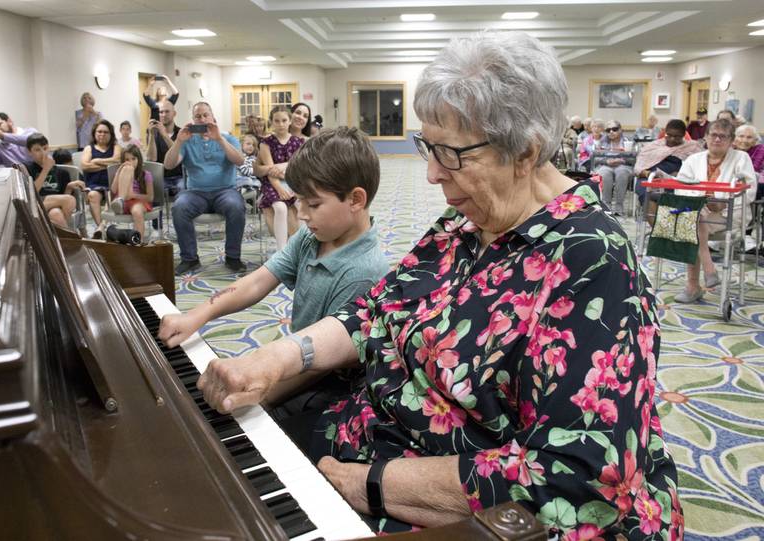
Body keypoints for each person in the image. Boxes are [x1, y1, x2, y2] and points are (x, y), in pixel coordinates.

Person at [195, 31, 682, 538]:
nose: (429, 174)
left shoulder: (593, 262)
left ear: (526, 152)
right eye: (427, 146)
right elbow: (375, 311)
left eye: (450, 154)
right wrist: (276, 358)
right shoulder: (465, 222)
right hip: (369, 432)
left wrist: (376, 484)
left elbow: (576, 476)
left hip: (449, 499)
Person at [160, 126, 390, 413]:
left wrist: (262, 396)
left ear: (356, 199)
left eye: (314, 203)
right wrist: (198, 313)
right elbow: (259, 280)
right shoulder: (313, 236)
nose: (301, 212)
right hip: (295, 360)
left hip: (327, 388)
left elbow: (322, 364)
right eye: (299, 199)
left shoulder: (365, 273)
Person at [673, 118, 757, 303]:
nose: (717, 139)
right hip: (699, 211)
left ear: (731, 140)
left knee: (692, 221)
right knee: (695, 217)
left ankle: (693, 286)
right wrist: (701, 198)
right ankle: (709, 268)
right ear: (705, 137)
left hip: (729, 213)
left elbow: (749, 190)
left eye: (723, 136)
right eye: (714, 135)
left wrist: (723, 202)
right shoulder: (693, 159)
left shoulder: (741, 158)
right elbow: (680, 186)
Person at [163, 101, 247, 275]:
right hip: (196, 193)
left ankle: (233, 257)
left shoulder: (228, 138)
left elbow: (240, 161)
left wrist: (220, 139)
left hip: (225, 191)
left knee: (236, 206)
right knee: (179, 207)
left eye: (205, 115)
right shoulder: (187, 141)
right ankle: (190, 259)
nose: (202, 119)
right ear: (193, 121)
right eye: (197, 116)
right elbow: (169, 164)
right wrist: (178, 141)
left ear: (213, 117)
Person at [254, 106, 303, 251]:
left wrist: (286, 173)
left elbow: (298, 167)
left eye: (284, 120)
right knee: (280, 208)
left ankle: (300, 246)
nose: (280, 124)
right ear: (271, 122)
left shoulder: (298, 142)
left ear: (290, 122)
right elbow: (271, 170)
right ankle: (282, 250)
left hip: (294, 181)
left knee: (303, 206)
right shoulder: (265, 143)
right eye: (277, 121)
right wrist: (280, 188)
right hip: (272, 184)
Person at [633, 119, 704, 205]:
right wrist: (650, 174)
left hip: (678, 181)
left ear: (683, 135)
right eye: (668, 135)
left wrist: (681, 174)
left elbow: (700, 167)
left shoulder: (692, 147)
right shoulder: (654, 146)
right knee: (648, 193)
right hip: (650, 178)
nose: (672, 139)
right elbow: (638, 169)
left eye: (677, 136)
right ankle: (653, 216)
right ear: (665, 132)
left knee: (680, 195)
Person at [26, 133, 85, 227]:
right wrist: (45, 169)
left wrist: (69, 187)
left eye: (45, 148)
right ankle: (72, 237)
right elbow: (32, 193)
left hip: (53, 206)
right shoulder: (27, 168)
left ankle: (62, 240)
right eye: (37, 150)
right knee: (70, 200)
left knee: (56, 214)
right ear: (29, 152)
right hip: (34, 204)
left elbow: (64, 199)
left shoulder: (62, 172)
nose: (43, 153)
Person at [82, 120, 121, 236]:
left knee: (111, 196)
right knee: (92, 195)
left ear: (111, 134)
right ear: (94, 133)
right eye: (99, 131)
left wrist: (97, 161)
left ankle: (101, 227)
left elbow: (117, 160)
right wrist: (108, 166)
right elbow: (85, 166)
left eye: (105, 132)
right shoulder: (89, 148)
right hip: (94, 184)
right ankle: (101, 227)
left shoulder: (116, 147)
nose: (102, 134)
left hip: (113, 184)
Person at [593, 120, 636, 215]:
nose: (611, 132)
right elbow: (595, 158)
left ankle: (619, 206)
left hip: (624, 165)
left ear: (621, 130)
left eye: (614, 129)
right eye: (608, 130)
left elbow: (634, 159)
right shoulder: (602, 141)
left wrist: (622, 160)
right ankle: (606, 205)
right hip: (606, 165)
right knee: (604, 174)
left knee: (622, 173)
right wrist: (606, 161)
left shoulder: (628, 141)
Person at [145, 100, 183, 195]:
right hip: (161, 177)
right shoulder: (153, 134)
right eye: (161, 112)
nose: (163, 115)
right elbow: (151, 159)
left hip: (179, 177)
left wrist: (164, 134)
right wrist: (152, 136)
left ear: (174, 113)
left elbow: (179, 154)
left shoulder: (181, 133)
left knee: (183, 191)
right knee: (153, 191)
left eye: (167, 111)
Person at [733, 124, 764, 200]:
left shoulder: (760, 149)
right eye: (741, 136)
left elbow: (754, 169)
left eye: (749, 137)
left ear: (755, 140)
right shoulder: (730, 149)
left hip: (754, 183)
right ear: (735, 138)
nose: (744, 140)